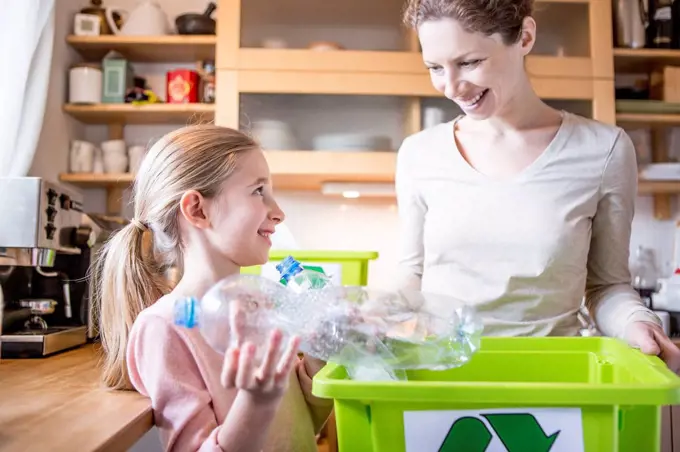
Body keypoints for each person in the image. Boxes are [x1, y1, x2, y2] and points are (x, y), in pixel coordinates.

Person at [397, 0, 680, 371]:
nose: (451, 87)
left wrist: (638, 324)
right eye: (435, 67)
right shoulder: (419, 153)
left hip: (551, 379)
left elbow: (606, 286)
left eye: (469, 62)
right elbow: (410, 276)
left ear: (525, 37)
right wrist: (375, 321)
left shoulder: (602, 150)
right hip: (441, 380)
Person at [90, 125, 333, 451]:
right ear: (198, 210)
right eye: (259, 191)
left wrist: (319, 353)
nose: (278, 213)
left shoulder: (261, 302)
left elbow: (302, 428)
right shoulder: (165, 328)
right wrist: (256, 405)